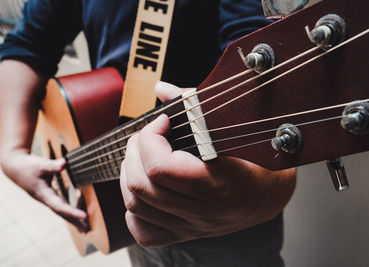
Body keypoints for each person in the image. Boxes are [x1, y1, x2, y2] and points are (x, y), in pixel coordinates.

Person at [0, 0, 296, 266]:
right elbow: (28, 43)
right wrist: (11, 152)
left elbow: (260, 63)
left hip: (228, 230)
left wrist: (264, 192)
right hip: (130, 207)